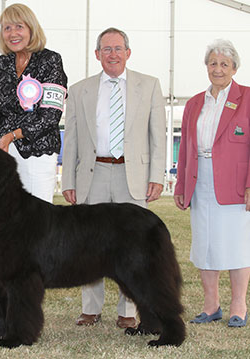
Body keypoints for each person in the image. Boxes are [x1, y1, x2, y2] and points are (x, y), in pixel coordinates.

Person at [0, 3, 67, 338]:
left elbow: (50, 114)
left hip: (36, 154)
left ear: (31, 29)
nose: (13, 33)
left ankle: (24, 321)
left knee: (31, 239)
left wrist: (11, 136)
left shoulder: (50, 61)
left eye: (19, 27)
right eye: (7, 28)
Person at [61, 27, 166, 329]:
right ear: (97, 55)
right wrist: (68, 180)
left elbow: (158, 135)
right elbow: (72, 139)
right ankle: (90, 309)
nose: (113, 54)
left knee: (133, 247)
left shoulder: (149, 85)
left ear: (128, 53)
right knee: (87, 245)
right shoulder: (80, 90)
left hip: (132, 175)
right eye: (106, 49)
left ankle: (128, 311)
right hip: (92, 175)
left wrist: (156, 175)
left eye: (118, 48)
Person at [174, 39, 250, 327]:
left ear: (234, 68)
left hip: (235, 183)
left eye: (224, 64)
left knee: (237, 245)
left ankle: (238, 306)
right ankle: (211, 306)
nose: (217, 69)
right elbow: (185, 149)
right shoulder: (195, 103)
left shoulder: (248, 97)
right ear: (206, 67)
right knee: (204, 245)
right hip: (200, 180)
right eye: (213, 63)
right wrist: (181, 185)